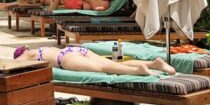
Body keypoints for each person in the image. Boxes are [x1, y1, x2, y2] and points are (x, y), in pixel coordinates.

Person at [13, 45, 175, 76]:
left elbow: (15, 62)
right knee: (113, 63)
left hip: (66, 58)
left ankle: (137, 71)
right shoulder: (44, 48)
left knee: (103, 68)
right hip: (76, 49)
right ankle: (154, 64)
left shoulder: (29, 53)